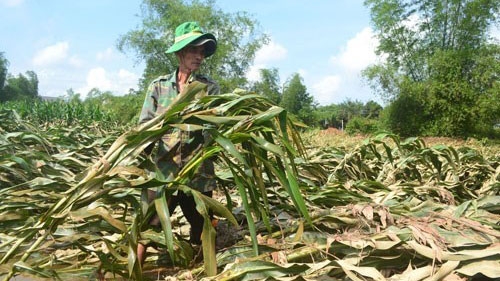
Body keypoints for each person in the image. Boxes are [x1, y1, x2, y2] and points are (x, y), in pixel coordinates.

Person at [137, 21, 219, 266]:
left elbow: (214, 127)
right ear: (181, 52)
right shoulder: (158, 87)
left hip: (198, 174)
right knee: (148, 227)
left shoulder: (208, 87)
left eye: (203, 51)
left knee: (203, 227)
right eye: (195, 50)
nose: (200, 56)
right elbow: (144, 128)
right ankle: (133, 271)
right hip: (164, 172)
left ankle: (203, 268)